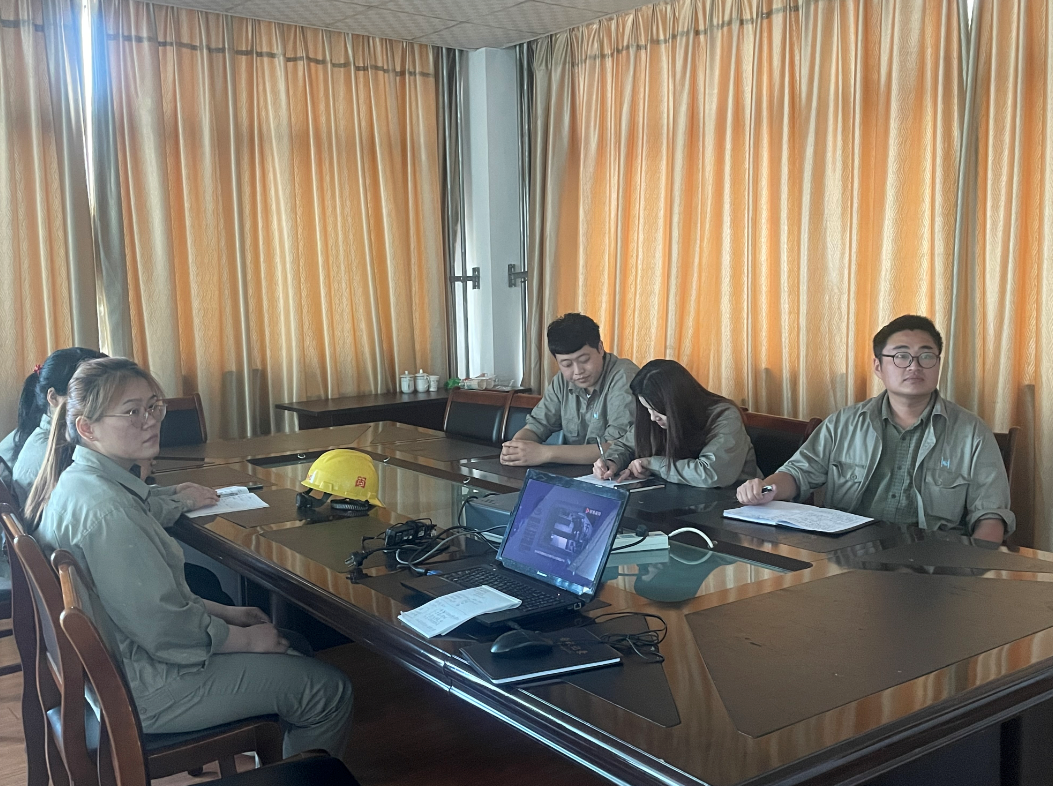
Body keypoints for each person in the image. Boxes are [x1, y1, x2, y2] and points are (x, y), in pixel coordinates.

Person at [25, 358, 354, 756]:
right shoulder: (110, 514)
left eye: (153, 406)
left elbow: (146, 601)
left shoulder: (82, 481)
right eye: (131, 412)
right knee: (330, 691)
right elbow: (164, 629)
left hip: (126, 664)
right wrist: (246, 640)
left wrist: (227, 613)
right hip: (151, 685)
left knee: (291, 645)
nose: (150, 420)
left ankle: (272, 755)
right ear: (87, 428)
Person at [736, 315, 1013, 543]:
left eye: (926, 356)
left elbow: (991, 516)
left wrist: (974, 566)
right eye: (901, 356)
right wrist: (767, 489)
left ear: (938, 364)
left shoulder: (972, 433)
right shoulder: (843, 423)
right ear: (878, 367)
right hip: (848, 553)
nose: (914, 366)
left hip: (933, 563)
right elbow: (797, 474)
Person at [593, 359, 760, 487]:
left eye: (657, 410)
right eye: (648, 409)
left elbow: (711, 473)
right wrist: (612, 462)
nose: (653, 418)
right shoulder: (654, 418)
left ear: (678, 403)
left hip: (731, 503)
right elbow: (626, 445)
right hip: (675, 499)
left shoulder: (724, 416)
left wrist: (652, 464)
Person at [501, 313, 639, 466]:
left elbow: (616, 448)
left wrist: (545, 453)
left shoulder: (624, 376)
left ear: (600, 348)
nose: (578, 371)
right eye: (567, 364)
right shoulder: (561, 381)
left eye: (584, 360)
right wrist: (516, 449)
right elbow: (537, 426)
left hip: (621, 473)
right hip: (579, 473)